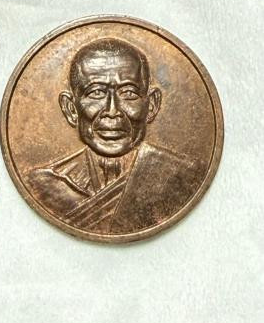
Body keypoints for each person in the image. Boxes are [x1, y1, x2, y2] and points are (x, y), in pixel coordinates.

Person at [27, 38, 201, 233]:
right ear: (71, 109)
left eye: (128, 93)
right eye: (96, 93)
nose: (112, 111)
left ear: (151, 105)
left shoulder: (182, 177)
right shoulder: (45, 183)